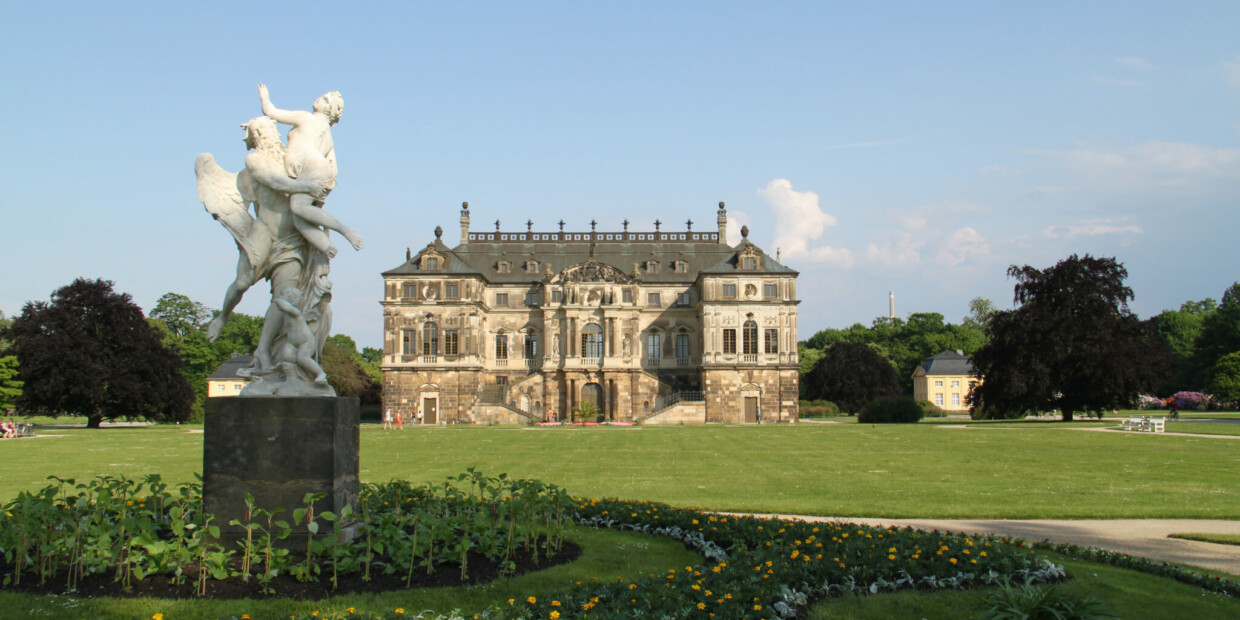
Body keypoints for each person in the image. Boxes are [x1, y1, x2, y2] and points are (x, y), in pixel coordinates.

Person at [258, 84, 363, 258]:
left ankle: (346, 231)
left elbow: (271, 112)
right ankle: (326, 247)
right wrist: (323, 195)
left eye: (324, 99)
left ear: (329, 109)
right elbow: (333, 169)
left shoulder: (306, 117)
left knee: (298, 206)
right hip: (319, 171)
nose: (318, 99)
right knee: (299, 218)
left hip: (311, 168)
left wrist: (264, 97)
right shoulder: (328, 135)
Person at [272, 287, 328, 385]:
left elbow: (285, 306)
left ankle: (320, 373)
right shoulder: (287, 314)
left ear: (291, 299)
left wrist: (276, 299)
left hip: (306, 341)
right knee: (286, 356)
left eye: (283, 296)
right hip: (292, 343)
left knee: (302, 358)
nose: (281, 298)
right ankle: (292, 380)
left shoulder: (295, 312)